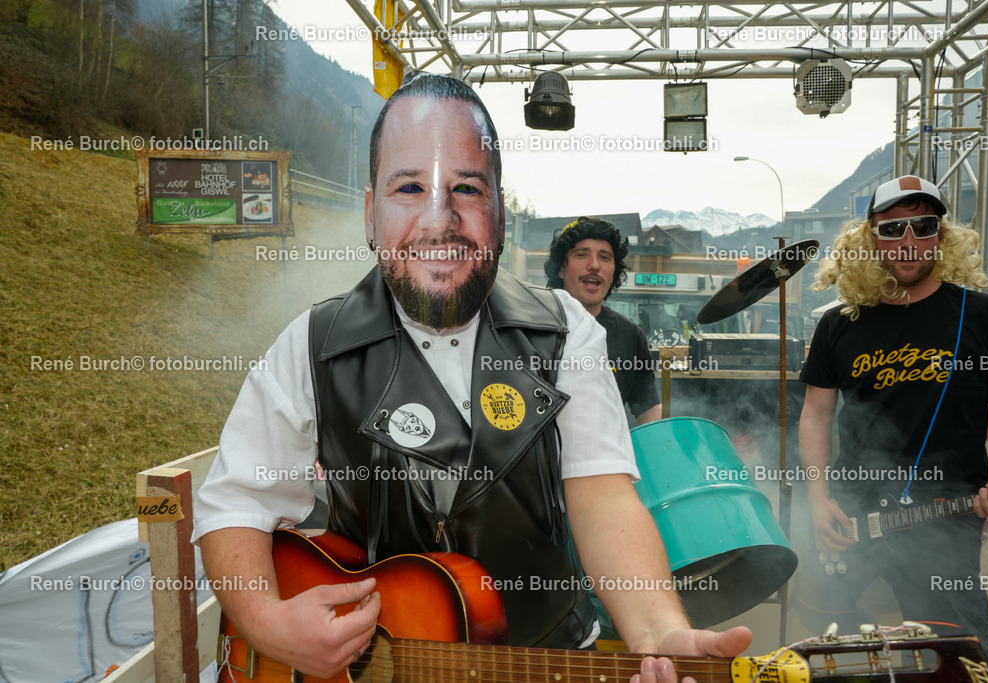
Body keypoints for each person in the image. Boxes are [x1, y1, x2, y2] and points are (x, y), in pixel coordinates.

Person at [192, 72, 750, 682]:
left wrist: (657, 632)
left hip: (547, 659)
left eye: (467, 188)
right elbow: (237, 501)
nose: (440, 219)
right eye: (409, 187)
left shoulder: (564, 331)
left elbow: (603, 498)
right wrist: (266, 624)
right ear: (371, 214)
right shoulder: (310, 344)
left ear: (499, 214)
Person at [798, 174, 988, 659]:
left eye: (923, 227)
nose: (908, 241)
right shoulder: (839, 323)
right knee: (829, 640)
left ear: (942, 236)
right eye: (892, 228)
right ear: (870, 238)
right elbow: (815, 416)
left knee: (957, 652)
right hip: (851, 509)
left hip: (946, 513)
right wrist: (818, 501)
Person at [545, 217, 663, 425]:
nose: (594, 265)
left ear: (614, 272)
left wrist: (657, 440)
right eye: (581, 254)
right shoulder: (533, 325)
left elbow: (648, 406)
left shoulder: (630, 334)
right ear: (561, 268)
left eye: (605, 257)